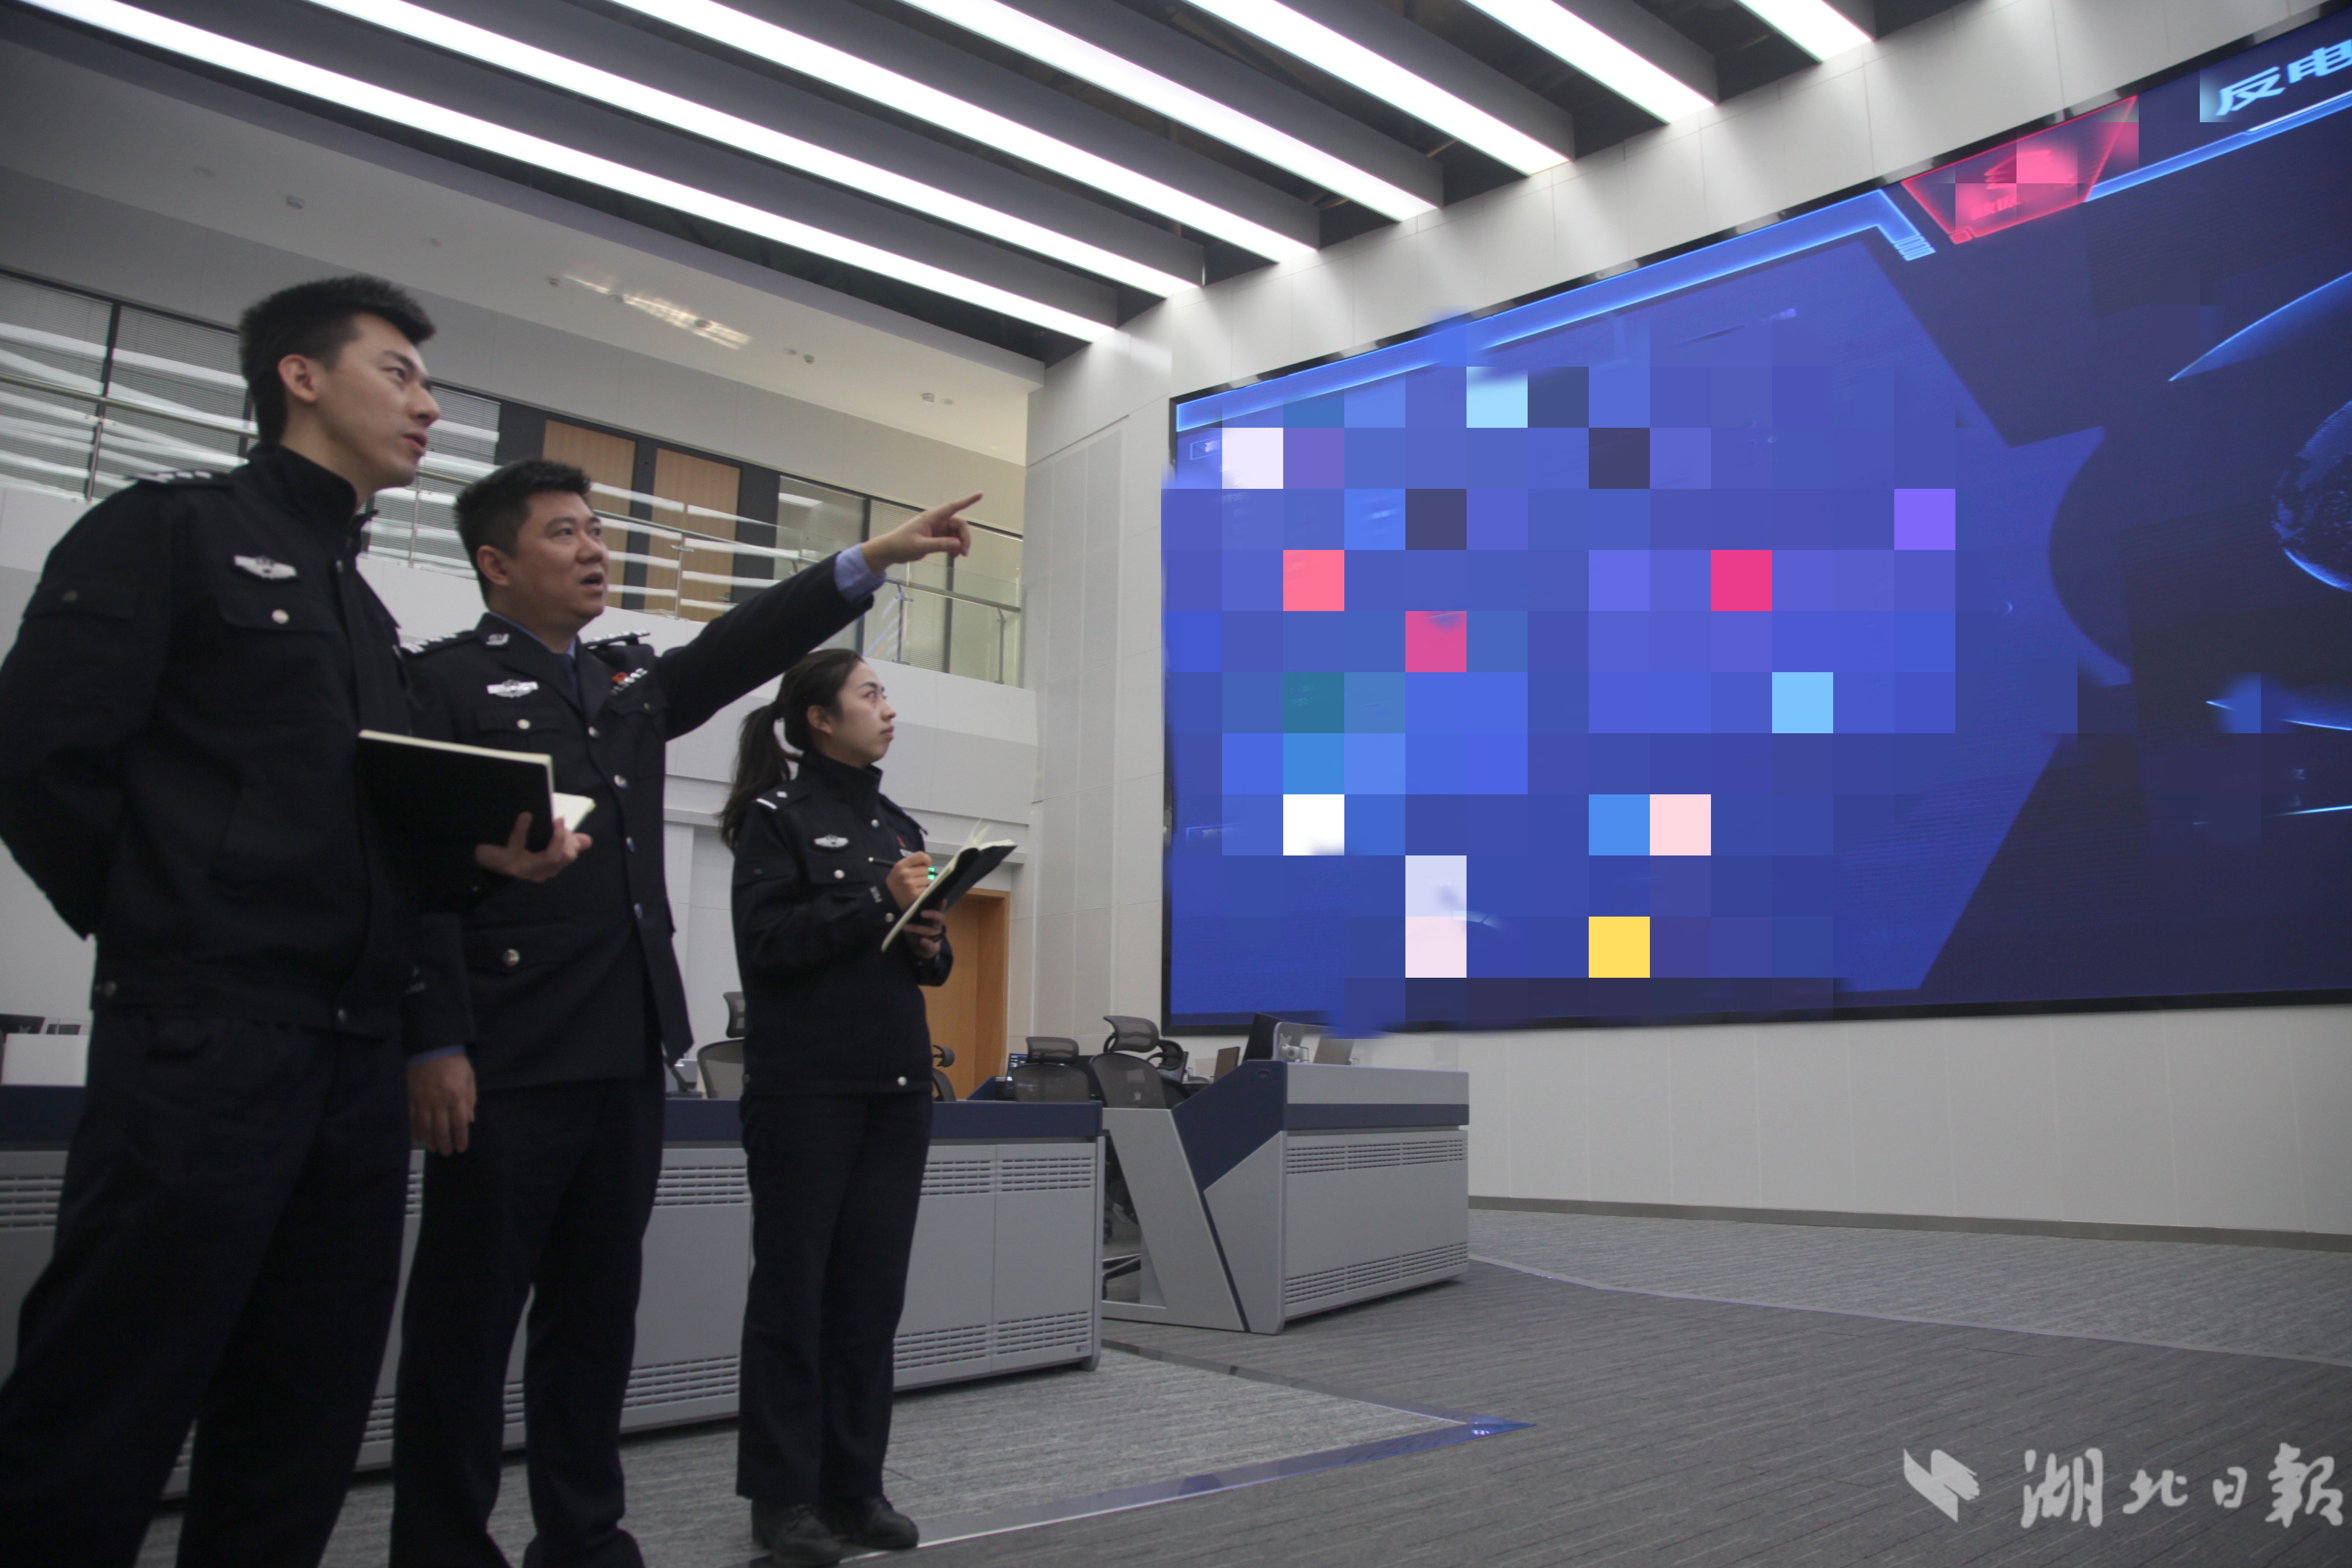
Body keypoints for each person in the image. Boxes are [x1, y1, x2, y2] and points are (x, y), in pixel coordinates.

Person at [0, 276, 580, 1568]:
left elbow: (374, 841)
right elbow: (41, 757)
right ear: (300, 378)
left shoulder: (366, 613)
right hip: (208, 1040)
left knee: (300, 1415)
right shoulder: (169, 531)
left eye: (428, 383)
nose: (428, 406)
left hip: (354, 1060)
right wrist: (170, 927)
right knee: (106, 1397)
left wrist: (483, 860)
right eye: (399, 374)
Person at [391, 462, 977, 1568]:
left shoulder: (623, 685)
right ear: (496, 563)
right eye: (564, 533)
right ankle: (440, 1548)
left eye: (596, 528)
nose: (594, 548)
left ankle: (583, 1538)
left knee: (593, 1321)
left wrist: (874, 559)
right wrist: (434, 1036)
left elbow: (739, 645)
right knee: (468, 1324)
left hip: (623, 1043)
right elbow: (410, 874)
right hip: (507, 1047)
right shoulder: (447, 685)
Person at [722, 650, 953, 1565]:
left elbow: (928, 963)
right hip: (805, 1091)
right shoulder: (774, 818)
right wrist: (874, 902)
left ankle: (854, 1486)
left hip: (894, 1087)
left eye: (885, 694)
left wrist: (928, 937)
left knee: (869, 1298)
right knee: (793, 1296)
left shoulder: (900, 825)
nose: (887, 709)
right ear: (820, 718)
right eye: (870, 695)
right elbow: (767, 945)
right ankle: (783, 1498)